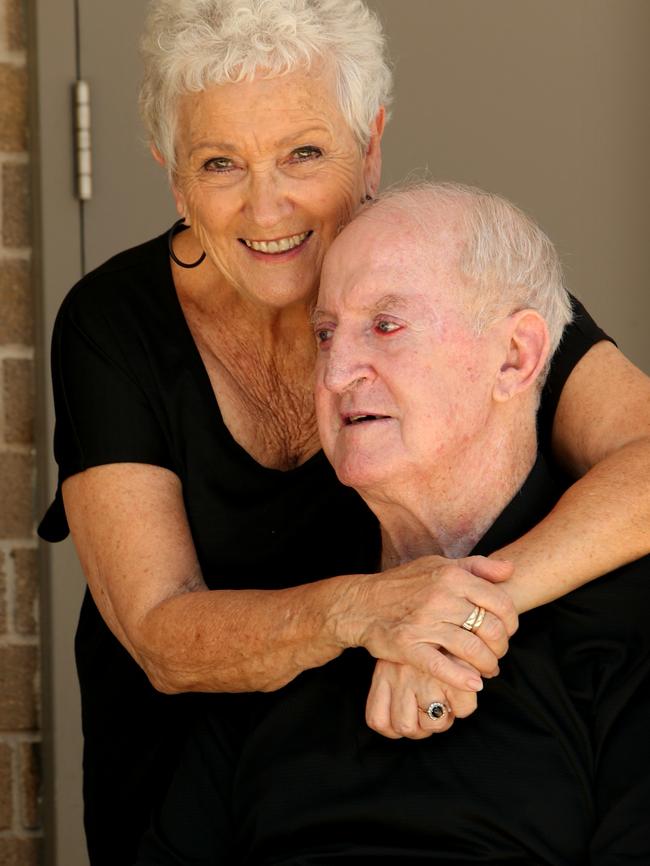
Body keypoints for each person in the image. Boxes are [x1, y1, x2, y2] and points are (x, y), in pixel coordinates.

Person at [37, 2, 650, 864]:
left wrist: (460, 612)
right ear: (172, 178)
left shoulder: (457, 278)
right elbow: (161, 634)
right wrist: (369, 613)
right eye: (220, 163)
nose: (265, 204)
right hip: (208, 753)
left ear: (371, 144)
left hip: (436, 699)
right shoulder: (116, 324)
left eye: (304, 152)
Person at [136, 183, 650, 864]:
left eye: (385, 325)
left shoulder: (625, 627)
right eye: (326, 334)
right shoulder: (287, 626)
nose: (337, 371)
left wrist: (467, 612)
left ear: (514, 358)